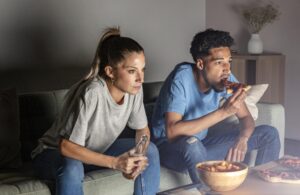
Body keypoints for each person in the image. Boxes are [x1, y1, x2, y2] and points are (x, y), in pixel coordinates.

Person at [32, 27, 160, 195]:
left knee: (150, 150)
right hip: (51, 154)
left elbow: (142, 129)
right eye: (131, 71)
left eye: (142, 69)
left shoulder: (134, 89)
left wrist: (138, 158)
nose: (140, 78)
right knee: (73, 167)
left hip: (95, 151)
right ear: (110, 72)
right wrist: (116, 163)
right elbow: (66, 147)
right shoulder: (92, 92)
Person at [151, 29, 280, 184]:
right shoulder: (180, 79)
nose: (227, 69)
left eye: (229, 61)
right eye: (219, 62)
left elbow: (246, 117)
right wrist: (223, 112)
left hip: (202, 146)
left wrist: (243, 139)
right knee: (192, 144)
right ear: (200, 63)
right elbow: (172, 132)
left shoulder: (225, 78)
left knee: (269, 133)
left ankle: (259, 189)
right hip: (170, 149)